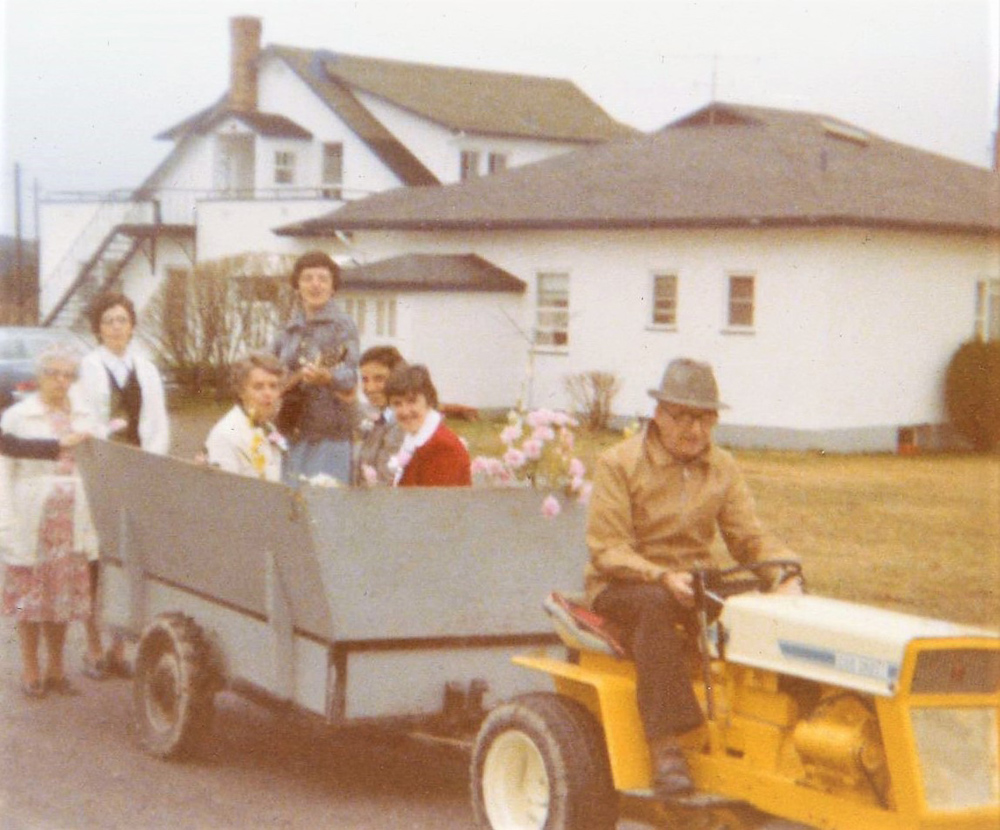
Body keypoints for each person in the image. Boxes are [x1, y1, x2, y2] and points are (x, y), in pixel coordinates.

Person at [585, 357, 803, 798]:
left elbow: (748, 539)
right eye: (683, 416)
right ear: (659, 413)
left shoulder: (721, 467)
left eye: (705, 418)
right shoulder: (619, 463)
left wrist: (785, 573)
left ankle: (796, 732)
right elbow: (607, 549)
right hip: (625, 582)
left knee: (781, 601)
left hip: (694, 579)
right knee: (657, 605)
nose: (695, 429)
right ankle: (667, 746)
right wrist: (661, 575)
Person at [76, 291, 170, 680]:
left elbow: (157, 421)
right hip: (100, 471)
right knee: (96, 559)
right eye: (109, 320)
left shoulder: (145, 368)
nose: (117, 327)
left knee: (129, 556)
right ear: (98, 327)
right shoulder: (89, 365)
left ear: (133, 325)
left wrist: (150, 464)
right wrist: (102, 455)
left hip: (137, 472)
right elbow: (84, 417)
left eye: (123, 320)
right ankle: (94, 645)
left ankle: (120, 647)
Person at [0, 345, 100, 698]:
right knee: (28, 599)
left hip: (72, 518)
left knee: (61, 599)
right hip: (31, 517)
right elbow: (4, 470)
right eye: (53, 374)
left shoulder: (84, 415)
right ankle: (30, 668)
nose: (61, 381)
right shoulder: (18, 416)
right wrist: (5, 523)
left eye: (68, 375)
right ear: (39, 377)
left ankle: (56, 668)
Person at [272, 251, 359, 485]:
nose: (315, 285)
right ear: (297, 285)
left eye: (322, 278)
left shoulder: (343, 325)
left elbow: (351, 376)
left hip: (328, 437)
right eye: (307, 278)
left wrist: (328, 377)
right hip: (290, 432)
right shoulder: (288, 327)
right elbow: (270, 369)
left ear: (333, 287)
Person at [384, 364, 471, 487]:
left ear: (429, 401)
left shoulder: (443, 446)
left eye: (412, 401)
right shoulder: (414, 440)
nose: (405, 411)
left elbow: (436, 504)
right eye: (397, 404)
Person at [204, 353, 286, 482]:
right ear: (241, 391)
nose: (268, 393)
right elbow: (222, 494)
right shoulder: (226, 434)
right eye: (258, 387)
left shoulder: (269, 428)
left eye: (273, 386)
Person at [354, 345, 406, 486]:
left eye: (379, 379)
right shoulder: (378, 415)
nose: (369, 388)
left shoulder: (402, 424)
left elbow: (386, 481)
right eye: (365, 380)